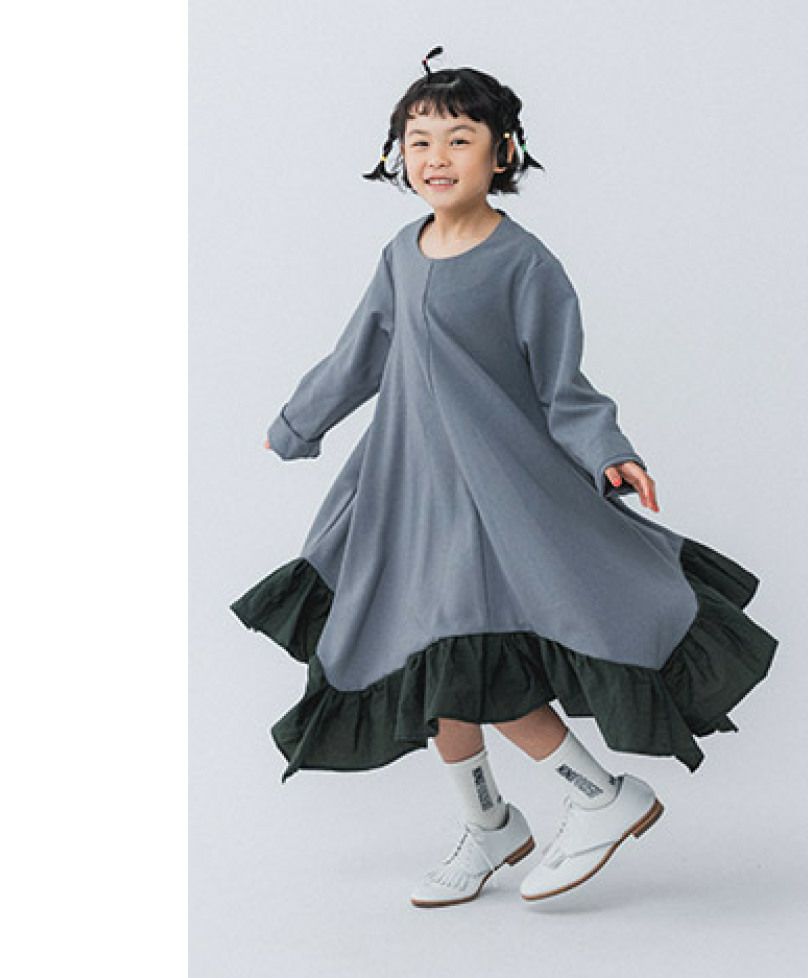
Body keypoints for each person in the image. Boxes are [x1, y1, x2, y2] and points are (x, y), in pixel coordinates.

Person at [229, 46, 779, 908]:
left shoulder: (526, 265)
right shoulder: (401, 253)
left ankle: (601, 795)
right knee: (430, 652)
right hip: (408, 491)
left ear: (503, 153)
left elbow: (565, 387)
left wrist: (608, 450)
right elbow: (358, 356)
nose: (436, 158)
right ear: (396, 155)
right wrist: (298, 423)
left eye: (459, 139)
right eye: (418, 141)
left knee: (470, 656)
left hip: (495, 497)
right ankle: (489, 823)